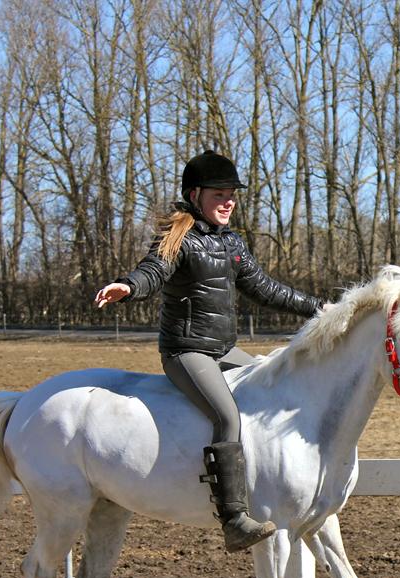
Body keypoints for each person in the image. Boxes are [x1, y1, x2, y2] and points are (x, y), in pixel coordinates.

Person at [95, 151, 324, 552]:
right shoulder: (179, 238)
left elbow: (266, 289)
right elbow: (153, 271)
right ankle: (233, 518)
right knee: (226, 415)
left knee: (270, 390)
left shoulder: (232, 244)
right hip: (187, 352)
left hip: (224, 350)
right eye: (220, 194)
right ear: (195, 195)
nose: (229, 201)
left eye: (232, 195)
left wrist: (319, 308)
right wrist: (128, 286)